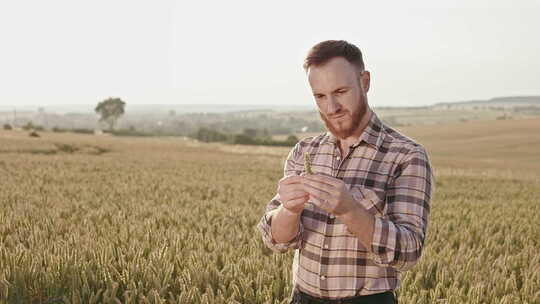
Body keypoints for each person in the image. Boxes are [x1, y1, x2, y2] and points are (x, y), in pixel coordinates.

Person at [257, 40, 434, 304]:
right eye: (320, 96)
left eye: (340, 91)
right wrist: (289, 210)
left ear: (364, 82)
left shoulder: (406, 156)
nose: (331, 107)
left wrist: (350, 210)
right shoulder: (305, 151)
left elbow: (408, 252)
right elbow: (276, 240)